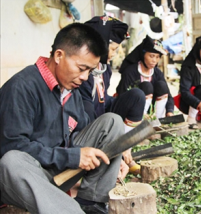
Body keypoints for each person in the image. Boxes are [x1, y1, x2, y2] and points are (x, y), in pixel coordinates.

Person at [0, 23, 130, 214]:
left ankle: (92, 203)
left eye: (90, 71)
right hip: (27, 178)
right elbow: (11, 146)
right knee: (12, 160)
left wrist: (115, 156)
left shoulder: (70, 88)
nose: (85, 77)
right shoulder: (22, 87)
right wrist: (73, 157)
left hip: (59, 172)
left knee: (112, 123)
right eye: (81, 68)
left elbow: (84, 130)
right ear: (59, 56)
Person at [79, 15, 147, 130]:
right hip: (88, 127)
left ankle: (126, 142)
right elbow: (87, 109)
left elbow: (103, 100)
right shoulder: (82, 72)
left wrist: (125, 104)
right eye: (113, 49)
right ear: (100, 44)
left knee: (137, 96)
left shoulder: (105, 69)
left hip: (103, 116)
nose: (114, 54)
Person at [117, 36, 174, 120]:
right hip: (132, 112)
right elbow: (122, 95)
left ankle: (158, 120)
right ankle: (140, 119)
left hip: (152, 111)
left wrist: (169, 111)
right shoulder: (130, 72)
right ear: (143, 54)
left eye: (157, 57)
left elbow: (168, 95)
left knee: (162, 85)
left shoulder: (157, 73)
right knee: (147, 86)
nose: (154, 60)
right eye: (151, 56)